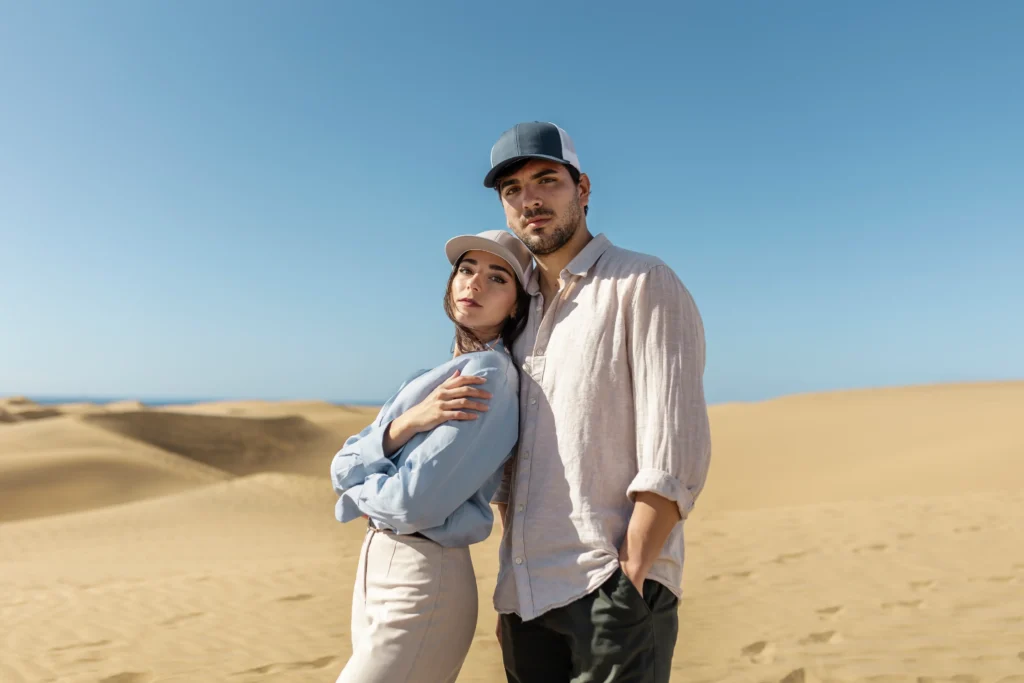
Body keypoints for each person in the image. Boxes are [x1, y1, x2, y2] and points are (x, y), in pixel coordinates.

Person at [483, 121, 713, 683]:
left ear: (582, 189)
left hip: (609, 589)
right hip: (525, 598)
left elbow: (675, 448)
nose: (530, 200)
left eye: (547, 180)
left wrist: (629, 573)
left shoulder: (642, 281)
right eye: (513, 190)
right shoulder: (516, 315)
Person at [330, 229, 533, 683]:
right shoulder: (429, 378)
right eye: (466, 270)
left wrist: (359, 491)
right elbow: (340, 467)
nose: (474, 283)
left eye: (497, 278)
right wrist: (406, 423)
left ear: (515, 306)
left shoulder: (486, 375)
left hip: (422, 577)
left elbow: (411, 504)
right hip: (378, 569)